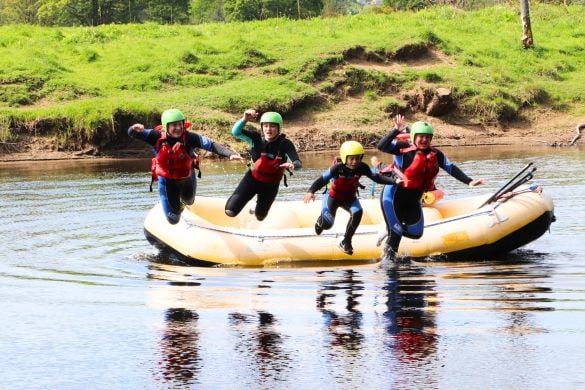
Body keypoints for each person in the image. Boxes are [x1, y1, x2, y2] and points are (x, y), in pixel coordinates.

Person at [377, 115, 484, 260]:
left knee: (416, 233)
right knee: (396, 235)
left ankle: (390, 230)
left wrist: (469, 181)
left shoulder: (436, 154)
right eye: (421, 136)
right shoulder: (403, 148)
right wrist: (395, 130)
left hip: (413, 201)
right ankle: (389, 267)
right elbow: (381, 146)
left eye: (428, 137)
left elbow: (451, 168)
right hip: (393, 197)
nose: (424, 140)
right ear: (414, 137)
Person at [129, 108, 242, 224]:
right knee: (173, 219)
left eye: (180, 124)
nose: (178, 128)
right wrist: (134, 129)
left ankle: (183, 203)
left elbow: (211, 145)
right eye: (174, 125)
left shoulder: (190, 138)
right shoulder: (155, 136)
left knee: (189, 201)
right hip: (167, 182)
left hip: (186, 178)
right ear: (166, 126)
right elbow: (133, 133)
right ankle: (171, 206)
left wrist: (230, 154)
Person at [304, 141, 397, 255]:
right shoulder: (337, 168)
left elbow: (377, 178)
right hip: (332, 197)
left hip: (350, 198)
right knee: (327, 225)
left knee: (358, 212)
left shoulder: (362, 167)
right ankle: (320, 222)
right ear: (345, 158)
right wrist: (311, 191)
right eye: (351, 159)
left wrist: (395, 181)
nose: (354, 162)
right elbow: (322, 180)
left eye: (357, 159)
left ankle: (346, 242)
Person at [225, 109, 301, 221]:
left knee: (260, 217)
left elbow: (297, 162)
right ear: (262, 127)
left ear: (279, 128)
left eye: (272, 126)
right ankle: (239, 201)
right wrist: (244, 119)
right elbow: (235, 132)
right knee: (230, 211)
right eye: (265, 126)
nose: (268, 129)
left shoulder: (285, 144)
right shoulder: (255, 139)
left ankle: (255, 209)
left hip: (271, 186)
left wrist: (293, 165)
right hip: (251, 180)